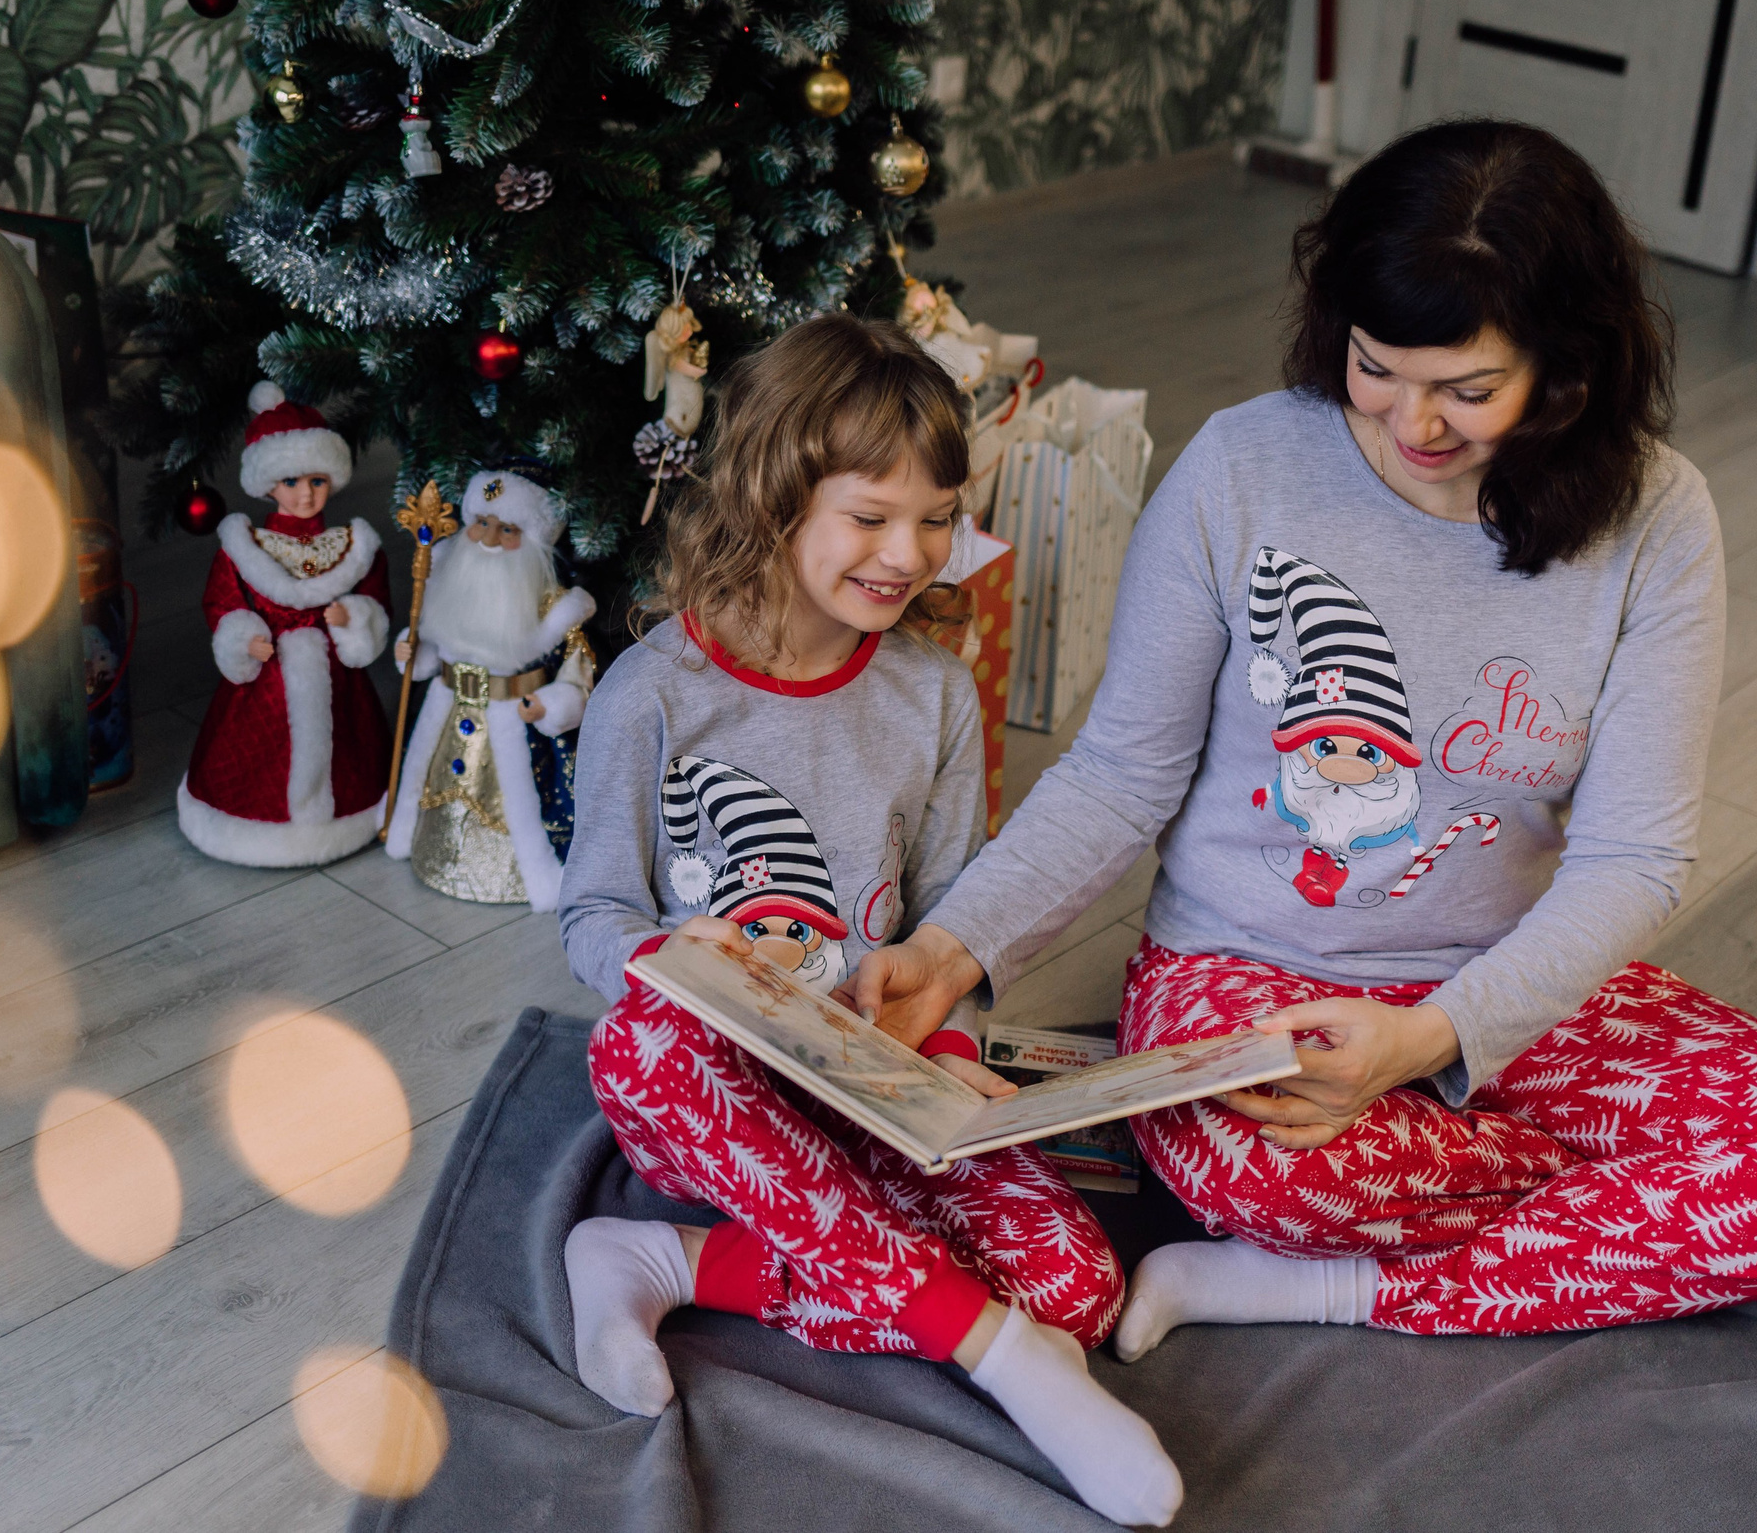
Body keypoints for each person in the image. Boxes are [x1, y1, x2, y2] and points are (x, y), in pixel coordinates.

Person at [853, 119, 1757, 1353]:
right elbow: (1121, 771)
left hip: (1496, 984)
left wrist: (1429, 1041)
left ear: (1568, 368)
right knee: (1270, 1176)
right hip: (1249, 972)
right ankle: (1598, 1219)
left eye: (1469, 390)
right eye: (1375, 369)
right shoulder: (1242, 468)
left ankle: (1341, 1287)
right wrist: (953, 949)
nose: (1413, 426)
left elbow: (1631, 858)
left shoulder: (1658, 518)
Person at [554, 315, 1181, 1527]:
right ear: (775, 494)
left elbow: (948, 920)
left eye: (937, 517)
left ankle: (663, 1264)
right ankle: (997, 1358)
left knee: (1077, 1285)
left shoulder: (933, 694)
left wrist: (947, 1061)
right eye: (871, 516)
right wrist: (661, 954)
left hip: (878, 1091)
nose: (910, 554)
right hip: (712, 1098)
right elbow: (592, 912)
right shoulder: (653, 696)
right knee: (642, 1036)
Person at [178, 381, 394, 867]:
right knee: (256, 753)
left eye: (317, 481)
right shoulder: (245, 546)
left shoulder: (351, 546)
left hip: (340, 684)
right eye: (291, 483)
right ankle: (254, 826)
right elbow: (222, 601)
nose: (305, 495)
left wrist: (354, 618)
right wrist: (241, 635)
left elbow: (376, 600)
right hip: (266, 679)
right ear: (268, 485)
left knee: (348, 744)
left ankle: (344, 818)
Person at [383, 465, 597, 911]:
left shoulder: (554, 609)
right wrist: (413, 652)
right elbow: (429, 649)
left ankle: (525, 875)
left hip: (515, 722)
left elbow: (579, 674)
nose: (490, 539)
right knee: (428, 775)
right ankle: (426, 848)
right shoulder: (444, 581)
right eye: (481, 523)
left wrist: (550, 703)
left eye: (508, 529)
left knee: (523, 803)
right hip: (446, 708)